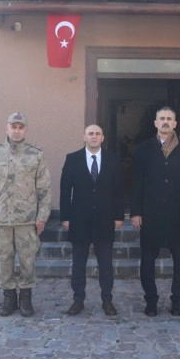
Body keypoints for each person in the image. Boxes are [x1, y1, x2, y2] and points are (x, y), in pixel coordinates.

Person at [0, 112, 52, 318]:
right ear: (7, 128)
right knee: (4, 259)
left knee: (28, 260)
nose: (16, 131)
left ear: (25, 130)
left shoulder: (36, 155)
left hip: (27, 219)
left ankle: (26, 297)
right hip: (1, 219)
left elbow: (44, 189)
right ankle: (8, 297)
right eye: (13, 127)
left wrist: (42, 216)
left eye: (20, 127)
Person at [131, 106, 180, 317]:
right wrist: (136, 212)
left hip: (177, 212)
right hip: (150, 212)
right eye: (162, 118)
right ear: (155, 123)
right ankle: (151, 300)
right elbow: (136, 182)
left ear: (175, 123)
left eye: (169, 119)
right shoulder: (143, 148)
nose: (165, 122)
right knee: (148, 259)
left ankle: (177, 300)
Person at [59, 124, 124, 317]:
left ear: (102, 137)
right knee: (79, 263)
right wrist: (65, 217)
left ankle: (107, 300)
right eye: (90, 134)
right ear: (84, 137)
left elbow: (118, 189)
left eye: (97, 134)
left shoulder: (113, 159)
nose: (94, 136)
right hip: (79, 219)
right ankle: (78, 300)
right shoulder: (72, 159)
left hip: (105, 219)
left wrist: (119, 215)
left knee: (106, 264)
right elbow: (65, 190)